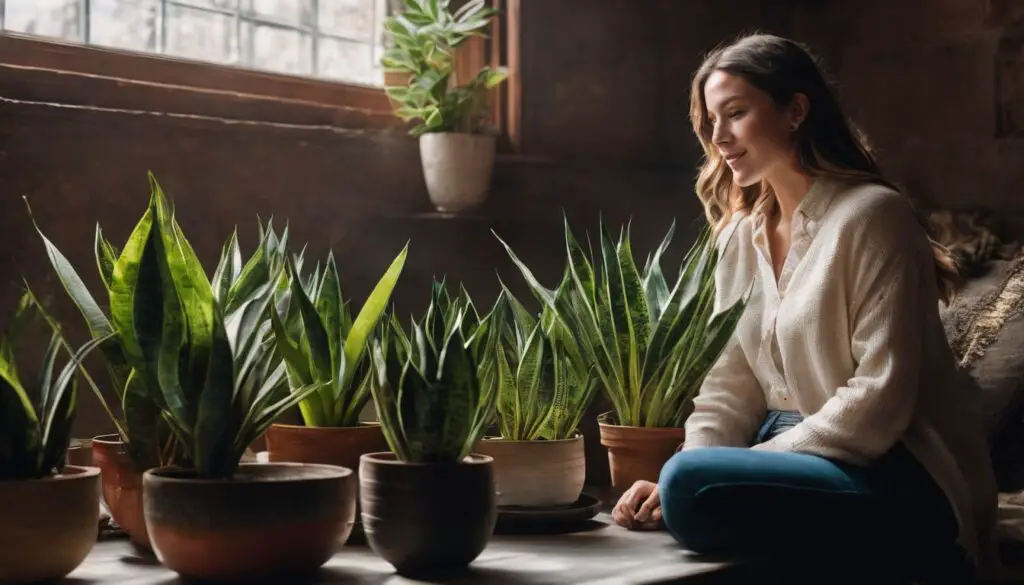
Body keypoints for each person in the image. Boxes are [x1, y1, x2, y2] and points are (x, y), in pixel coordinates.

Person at [611, 33, 1000, 582]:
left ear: (795, 110)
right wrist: (694, 464)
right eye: (709, 121)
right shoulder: (738, 238)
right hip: (786, 456)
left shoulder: (873, 216)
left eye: (736, 114)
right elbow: (730, 385)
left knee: (690, 489)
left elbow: (878, 401)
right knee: (685, 485)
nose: (718, 137)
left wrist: (730, 469)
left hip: (893, 466)